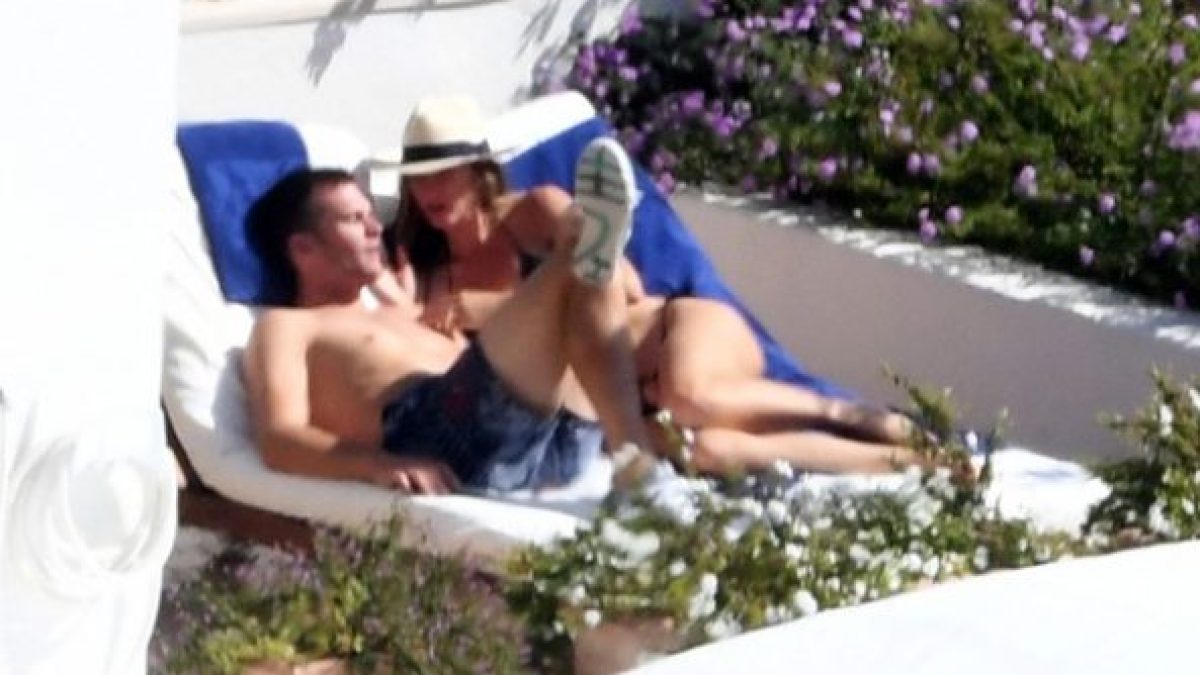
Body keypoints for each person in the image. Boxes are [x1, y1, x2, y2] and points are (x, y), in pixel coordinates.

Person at [386, 95, 928, 476]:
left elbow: (623, 284)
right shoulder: (424, 272)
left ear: (479, 171)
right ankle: (897, 464)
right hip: (612, 407)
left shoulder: (535, 212)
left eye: (444, 172)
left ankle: (861, 417)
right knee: (708, 451)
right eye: (418, 179)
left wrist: (487, 308)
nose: (430, 190)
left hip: (676, 331)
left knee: (690, 397)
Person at [241, 156, 659, 496]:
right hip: (449, 442)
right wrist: (378, 465)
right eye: (355, 219)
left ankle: (587, 234)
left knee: (596, 273)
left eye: (372, 215)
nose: (375, 229)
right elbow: (279, 438)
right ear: (303, 248)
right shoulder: (286, 326)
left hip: (552, 444)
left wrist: (403, 301)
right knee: (582, 258)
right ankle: (639, 469)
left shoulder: (406, 311)